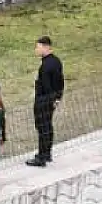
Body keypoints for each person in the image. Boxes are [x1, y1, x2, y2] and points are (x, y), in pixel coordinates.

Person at [27, 35, 64, 167]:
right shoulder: (56, 61)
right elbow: (60, 82)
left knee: (42, 127)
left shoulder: (47, 65)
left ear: (46, 47)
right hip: (51, 99)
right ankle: (46, 153)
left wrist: (46, 98)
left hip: (44, 100)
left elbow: (48, 84)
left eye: (38, 47)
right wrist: (58, 98)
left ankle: (41, 157)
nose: (36, 50)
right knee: (47, 126)